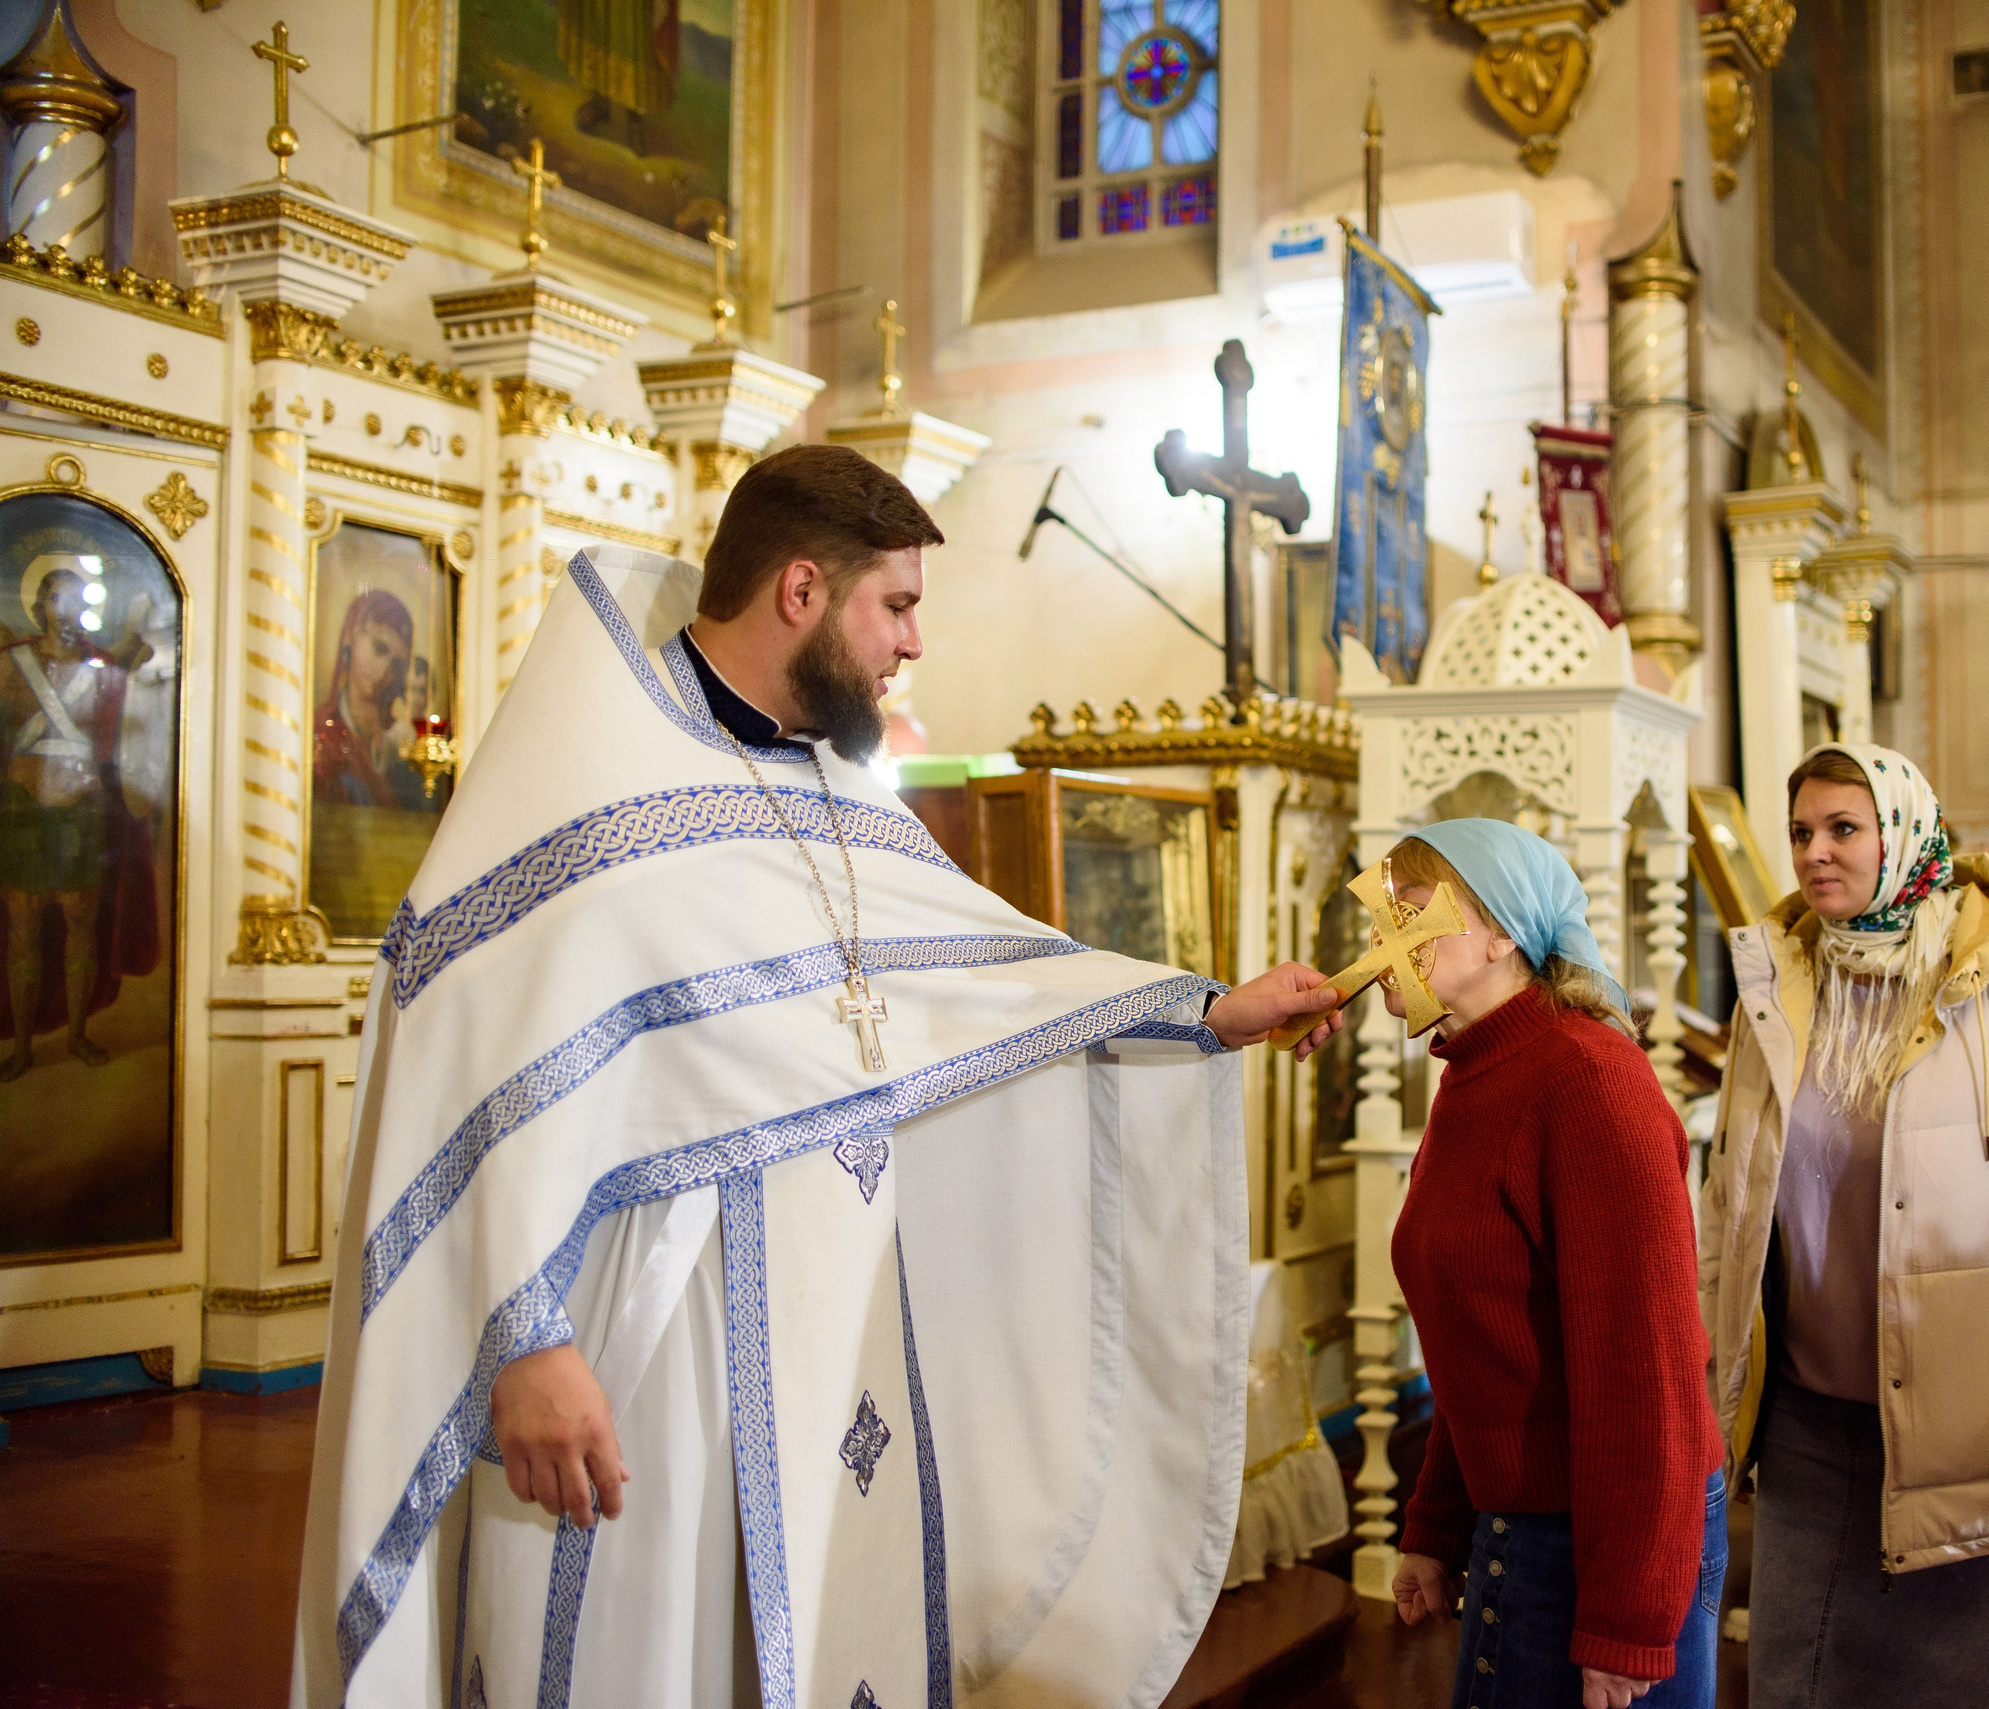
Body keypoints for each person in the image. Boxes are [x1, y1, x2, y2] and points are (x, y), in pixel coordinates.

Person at [291, 446, 1347, 1709]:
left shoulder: (836, 792)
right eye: (894, 607)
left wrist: (1212, 1014)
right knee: (648, 1647)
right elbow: (469, 1069)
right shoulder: (586, 785)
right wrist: (528, 1340)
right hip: (645, 1342)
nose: (911, 645)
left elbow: (982, 970)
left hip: (833, 1340)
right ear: (801, 589)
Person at [1698, 742, 1989, 1709]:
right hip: (1807, 1423)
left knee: (1930, 1688)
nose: (1816, 852)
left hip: (1961, 1426)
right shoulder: (1776, 998)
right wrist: (1713, 1378)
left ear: (1905, 836)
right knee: (1788, 1683)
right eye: (1800, 832)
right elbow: (1732, 1211)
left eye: (1843, 828)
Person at [1381, 820, 1721, 1709]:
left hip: (1609, 1537)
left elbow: (1646, 1372)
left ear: (1500, 932)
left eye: (1411, 914)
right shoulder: (1472, 1072)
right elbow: (1486, 1339)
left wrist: (1628, 1617)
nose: (1382, 941)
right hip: (1519, 1526)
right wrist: (1437, 1525)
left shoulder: (1588, 1080)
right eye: (1382, 915)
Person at [1, 552, 158, 1081]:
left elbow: (128, 679)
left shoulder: (100, 669)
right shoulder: (10, 663)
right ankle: (22, 1047)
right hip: (24, 809)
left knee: (80, 926)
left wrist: (139, 628)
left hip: (80, 813)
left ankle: (75, 1035)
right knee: (21, 929)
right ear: (41, 606)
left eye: (75, 597)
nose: (65, 608)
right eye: (56, 596)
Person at [312, 588, 421, 809]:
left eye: (395, 664)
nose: (383, 672)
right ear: (351, 636)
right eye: (379, 649)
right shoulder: (321, 726)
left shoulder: (399, 739)